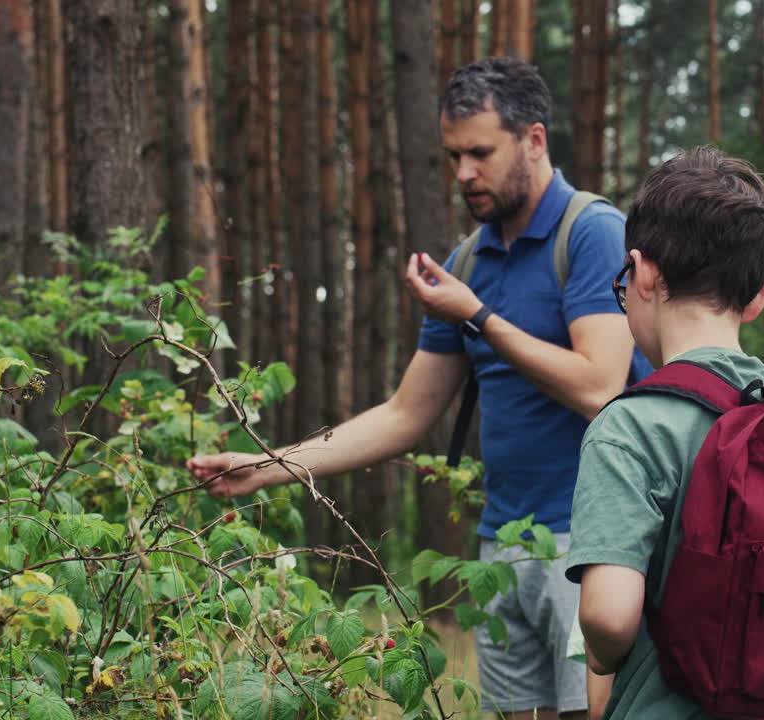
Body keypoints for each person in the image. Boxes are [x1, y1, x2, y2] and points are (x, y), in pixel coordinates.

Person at [187, 56, 649, 719]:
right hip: (503, 547)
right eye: (454, 155)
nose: (463, 173)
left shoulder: (592, 233)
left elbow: (601, 388)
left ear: (535, 140)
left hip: (592, 545)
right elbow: (405, 414)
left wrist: (479, 318)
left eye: (480, 153)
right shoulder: (466, 262)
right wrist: (266, 466)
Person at [565, 147, 764, 718]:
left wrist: (600, 654)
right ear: (758, 297)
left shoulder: (629, 427)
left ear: (644, 273)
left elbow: (609, 617)